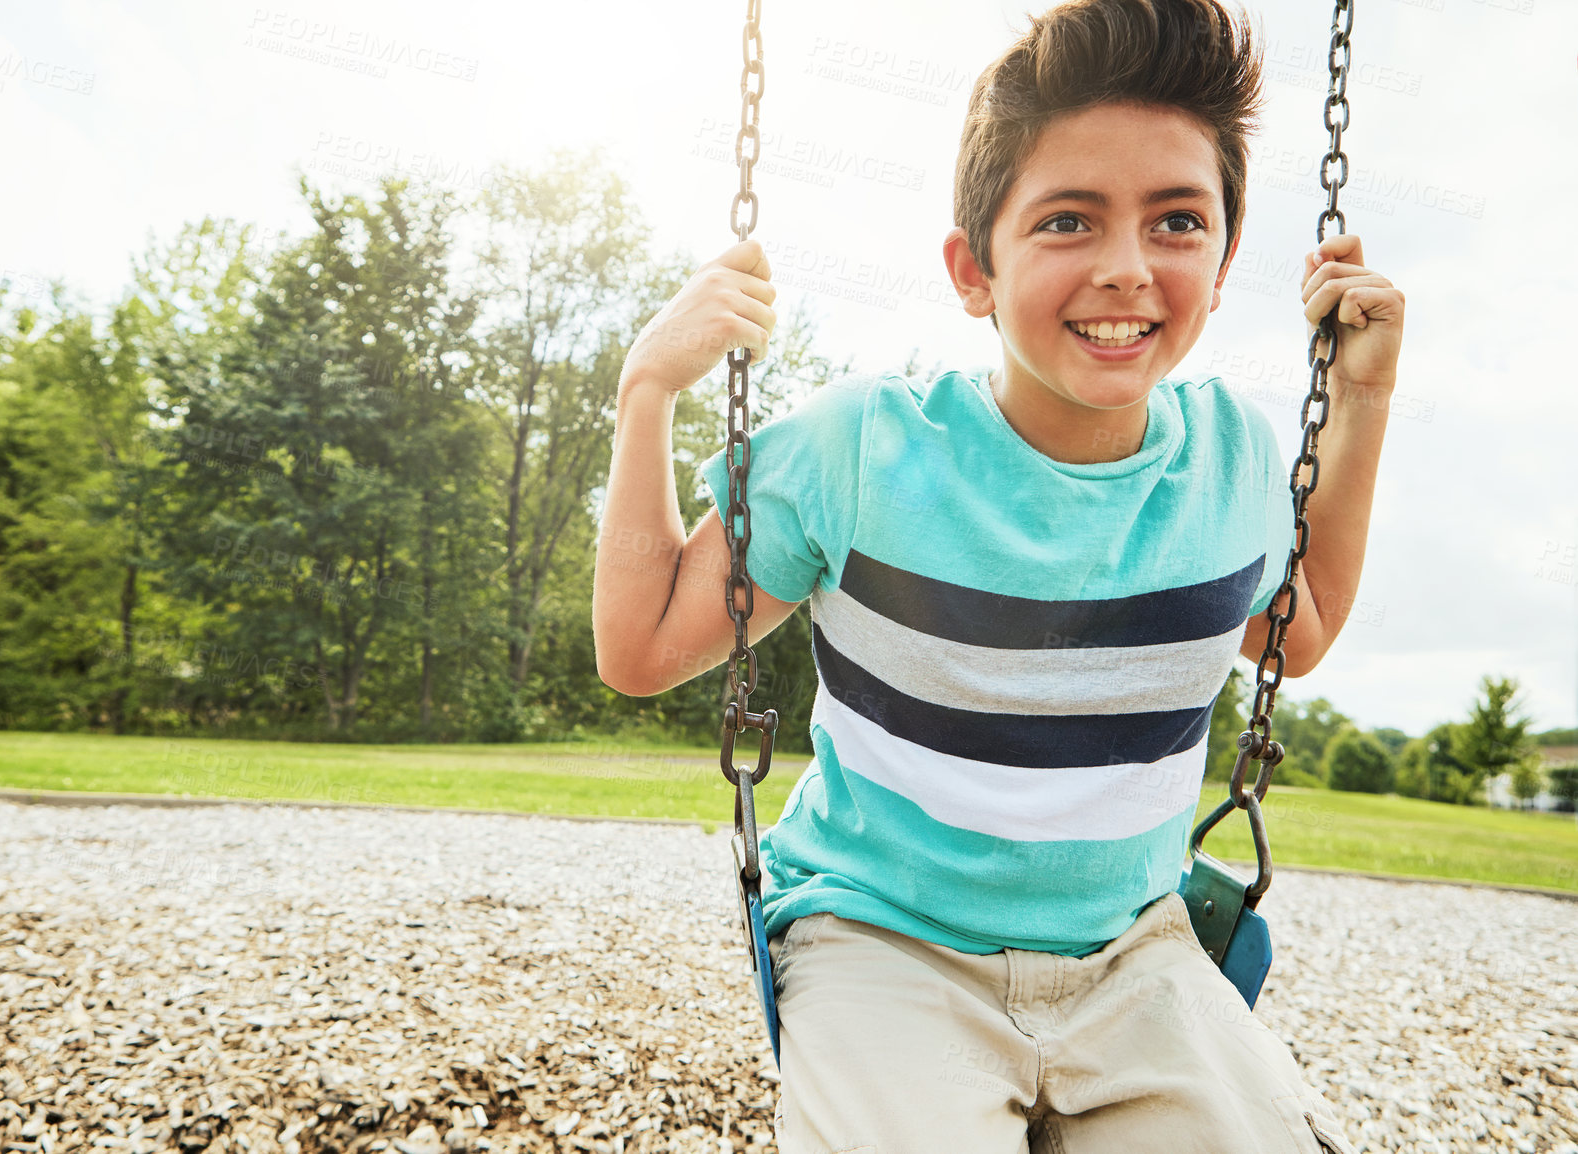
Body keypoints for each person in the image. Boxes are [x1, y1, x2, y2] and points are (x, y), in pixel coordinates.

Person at [592, 0, 1403, 1149]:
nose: (1127, 269)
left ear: (1222, 266)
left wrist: (1360, 400)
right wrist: (646, 394)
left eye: (1176, 222)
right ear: (972, 269)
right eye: (1069, 219)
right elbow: (639, 648)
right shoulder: (861, 449)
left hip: (1134, 950)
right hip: (883, 938)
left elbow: (1296, 632)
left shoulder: (1230, 458)